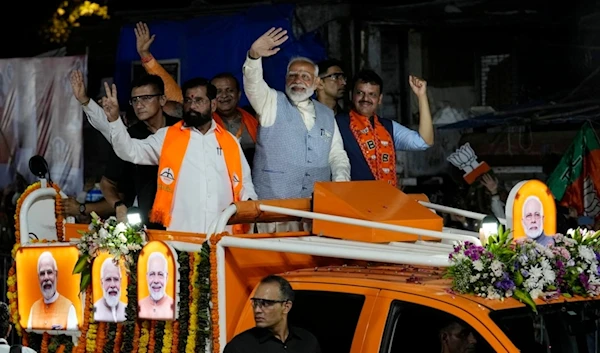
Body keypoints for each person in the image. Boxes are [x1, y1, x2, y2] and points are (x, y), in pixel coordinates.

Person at [83, 76, 256, 234]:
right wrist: (114, 120)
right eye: (188, 100)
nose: (192, 106)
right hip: (182, 234)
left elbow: (244, 182)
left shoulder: (229, 141)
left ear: (213, 105)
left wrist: (249, 205)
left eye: (199, 100)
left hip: (223, 233)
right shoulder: (169, 136)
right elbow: (130, 151)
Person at [243, 27, 350, 203]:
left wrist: (340, 184)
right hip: (273, 207)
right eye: (292, 75)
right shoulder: (270, 102)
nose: (297, 80)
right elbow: (253, 84)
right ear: (285, 79)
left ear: (316, 83)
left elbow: (337, 155)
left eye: (305, 76)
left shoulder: (327, 114)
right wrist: (254, 56)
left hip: (315, 207)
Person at [336, 69, 433, 186]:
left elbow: (424, 142)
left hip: (386, 200)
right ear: (352, 95)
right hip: (352, 199)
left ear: (380, 99)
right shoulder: (338, 123)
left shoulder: (388, 127)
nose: (365, 99)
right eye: (360, 93)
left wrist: (421, 95)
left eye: (372, 94)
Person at [224, 275, 321, 353]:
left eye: (265, 303)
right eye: (255, 303)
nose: (257, 309)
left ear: (286, 307)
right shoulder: (239, 347)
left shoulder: (308, 342)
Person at [211, 72, 259, 167]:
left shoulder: (255, 119)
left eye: (230, 90)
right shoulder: (204, 124)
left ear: (239, 95)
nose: (224, 95)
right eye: (218, 92)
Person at [28, 252, 78, 330]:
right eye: (42, 274)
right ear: (38, 279)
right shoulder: (34, 308)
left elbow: (73, 339)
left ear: (56, 275)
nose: (46, 278)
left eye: (49, 272)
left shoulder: (69, 308)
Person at [138, 252, 174, 320]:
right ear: (147, 277)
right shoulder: (138, 306)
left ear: (166, 277)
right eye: (152, 274)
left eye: (160, 274)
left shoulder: (174, 307)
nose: (156, 281)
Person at [93, 258, 127, 323]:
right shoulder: (95, 310)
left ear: (120, 281)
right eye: (108, 279)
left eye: (116, 279)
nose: (112, 285)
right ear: (101, 283)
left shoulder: (126, 309)